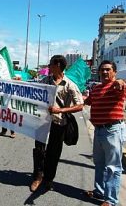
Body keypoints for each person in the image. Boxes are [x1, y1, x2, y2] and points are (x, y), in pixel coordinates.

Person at [30, 55, 84, 192]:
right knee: (39, 151)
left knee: (53, 153)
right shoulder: (45, 80)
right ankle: (37, 177)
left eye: (51, 64)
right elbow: (30, 92)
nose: (49, 67)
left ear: (58, 65)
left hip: (59, 124)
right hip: (42, 123)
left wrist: (60, 110)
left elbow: (80, 106)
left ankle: (48, 179)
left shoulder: (69, 85)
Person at [84, 60, 126, 206]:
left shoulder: (116, 86)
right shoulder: (96, 89)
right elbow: (87, 101)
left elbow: (122, 85)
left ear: (114, 72)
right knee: (99, 164)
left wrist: (121, 81)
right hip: (98, 130)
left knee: (113, 167)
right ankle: (99, 192)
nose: (105, 72)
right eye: (102, 70)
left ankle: (111, 200)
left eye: (108, 69)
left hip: (112, 130)